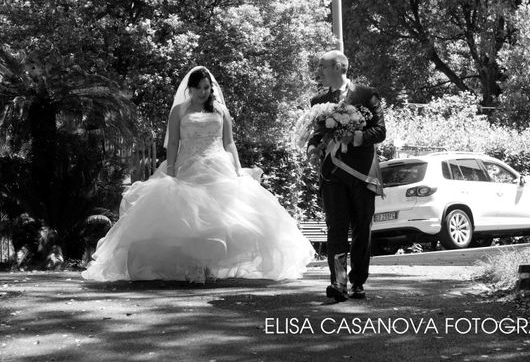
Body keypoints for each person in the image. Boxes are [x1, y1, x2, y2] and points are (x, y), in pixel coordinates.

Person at [83, 66, 315, 283]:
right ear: (190, 89)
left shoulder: (221, 110)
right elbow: (173, 142)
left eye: (207, 88)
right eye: (199, 88)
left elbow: (230, 143)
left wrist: (237, 169)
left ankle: (209, 266)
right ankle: (193, 266)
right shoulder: (179, 111)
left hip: (218, 165)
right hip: (187, 165)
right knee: (189, 220)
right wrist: (171, 169)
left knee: (218, 219)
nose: (204, 92)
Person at [307, 50, 386, 301]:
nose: (320, 71)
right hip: (332, 174)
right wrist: (312, 146)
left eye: (324, 66)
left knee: (362, 228)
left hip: (362, 173)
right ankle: (338, 283)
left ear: (340, 67)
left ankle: (357, 282)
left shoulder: (366, 94)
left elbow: (380, 131)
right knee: (336, 228)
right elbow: (317, 133)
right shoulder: (318, 100)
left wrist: (357, 136)